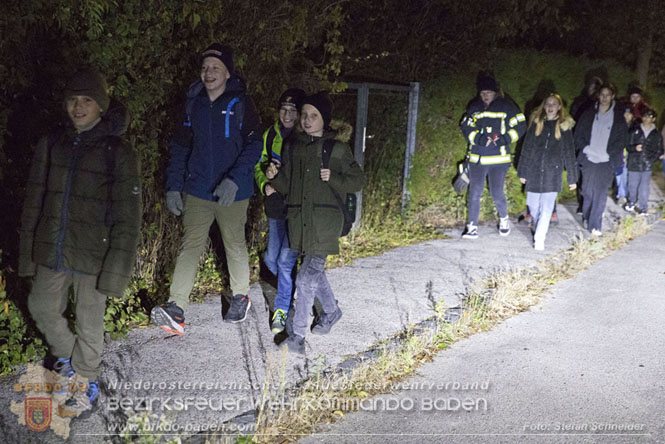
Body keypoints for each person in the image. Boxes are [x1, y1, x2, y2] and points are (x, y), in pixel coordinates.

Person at [19, 69, 141, 414]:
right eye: (72, 99)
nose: (78, 106)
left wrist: (117, 268)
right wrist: (28, 253)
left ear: (101, 106)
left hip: (96, 254)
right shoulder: (52, 142)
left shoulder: (118, 151)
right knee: (40, 305)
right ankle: (66, 358)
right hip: (53, 246)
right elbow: (34, 199)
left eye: (87, 100)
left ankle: (83, 380)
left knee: (90, 322)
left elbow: (128, 215)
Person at [152, 43, 262, 335]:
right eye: (204, 68)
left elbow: (255, 145)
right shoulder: (193, 104)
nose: (208, 73)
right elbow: (180, 146)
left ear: (227, 72)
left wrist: (235, 179)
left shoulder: (241, 103)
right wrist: (174, 186)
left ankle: (240, 296)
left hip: (232, 192)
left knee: (234, 244)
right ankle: (176, 308)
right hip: (198, 187)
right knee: (190, 246)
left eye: (215, 67)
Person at [268, 92, 365, 354]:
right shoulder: (294, 147)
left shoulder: (337, 149)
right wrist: (274, 179)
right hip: (299, 222)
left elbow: (357, 181)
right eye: (305, 115)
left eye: (314, 115)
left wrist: (333, 177)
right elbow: (288, 185)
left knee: (306, 278)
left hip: (324, 222)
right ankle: (331, 311)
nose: (307, 120)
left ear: (325, 120)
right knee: (315, 272)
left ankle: (297, 336)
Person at [254, 88, 305, 334]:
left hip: (296, 207)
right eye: (283, 109)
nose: (287, 115)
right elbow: (259, 165)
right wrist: (265, 182)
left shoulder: (304, 137)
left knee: (285, 261)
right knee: (272, 259)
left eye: (292, 111)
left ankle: (283, 308)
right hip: (275, 204)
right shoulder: (269, 135)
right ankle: (291, 289)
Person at [460, 75, 526, 239]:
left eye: (488, 92)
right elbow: (466, 125)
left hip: (499, 160)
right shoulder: (475, 107)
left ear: (495, 92)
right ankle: (472, 227)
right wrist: (478, 138)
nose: (485, 95)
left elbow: (521, 125)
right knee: (474, 192)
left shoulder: (507, 106)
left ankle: (504, 220)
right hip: (477, 158)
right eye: (482, 92)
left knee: (497, 192)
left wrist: (504, 139)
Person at [517, 94, 578, 250]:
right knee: (532, 205)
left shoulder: (564, 127)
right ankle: (539, 226)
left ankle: (539, 238)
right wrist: (522, 171)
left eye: (554, 104)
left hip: (553, 174)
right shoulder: (536, 124)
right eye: (548, 104)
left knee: (547, 207)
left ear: (559, 107)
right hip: (534, 172)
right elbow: (526, 149)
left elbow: (569, 153)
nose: (550, 107)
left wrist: (572, 177)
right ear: (544, 106)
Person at [573, 83, 628, 236]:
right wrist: (586, 148)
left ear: (612, 96)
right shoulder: (589, 113)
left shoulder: (618, 116)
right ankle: (587, 215)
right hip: (589, 158)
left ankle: (595, 224)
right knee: (587, 191)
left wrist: (611, 153)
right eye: (602, 94)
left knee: (601, 193)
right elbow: (578, 135)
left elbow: (623, 138)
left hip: (606, 161)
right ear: (598, 96)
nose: (604, 98)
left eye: (607, 95)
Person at [624, 109, 663, 215]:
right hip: (634, 162)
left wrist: (651, 160)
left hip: (647, 165)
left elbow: (659, 150)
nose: (646, 119)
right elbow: (627, 145)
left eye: (649, 117)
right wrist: (634, 148)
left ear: (654, 119)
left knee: (644, 186)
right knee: (632, 184)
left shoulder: (656, 134)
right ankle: (632, 201)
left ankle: (643, 207)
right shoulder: (634, 130)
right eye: (645, 116)